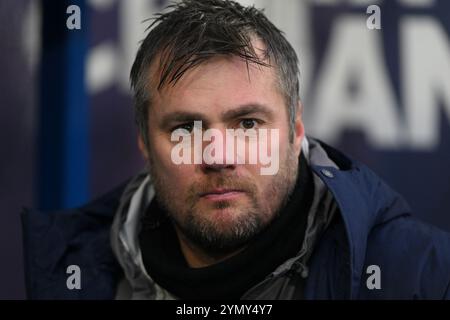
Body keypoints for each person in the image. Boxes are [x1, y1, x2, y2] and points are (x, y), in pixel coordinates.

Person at [22, 0, 450, 300]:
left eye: (248, 124)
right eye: (185, 128)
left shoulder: (421, 276)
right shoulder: (72, 277)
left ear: (296, 129)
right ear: (144, 144)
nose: (217, 156)